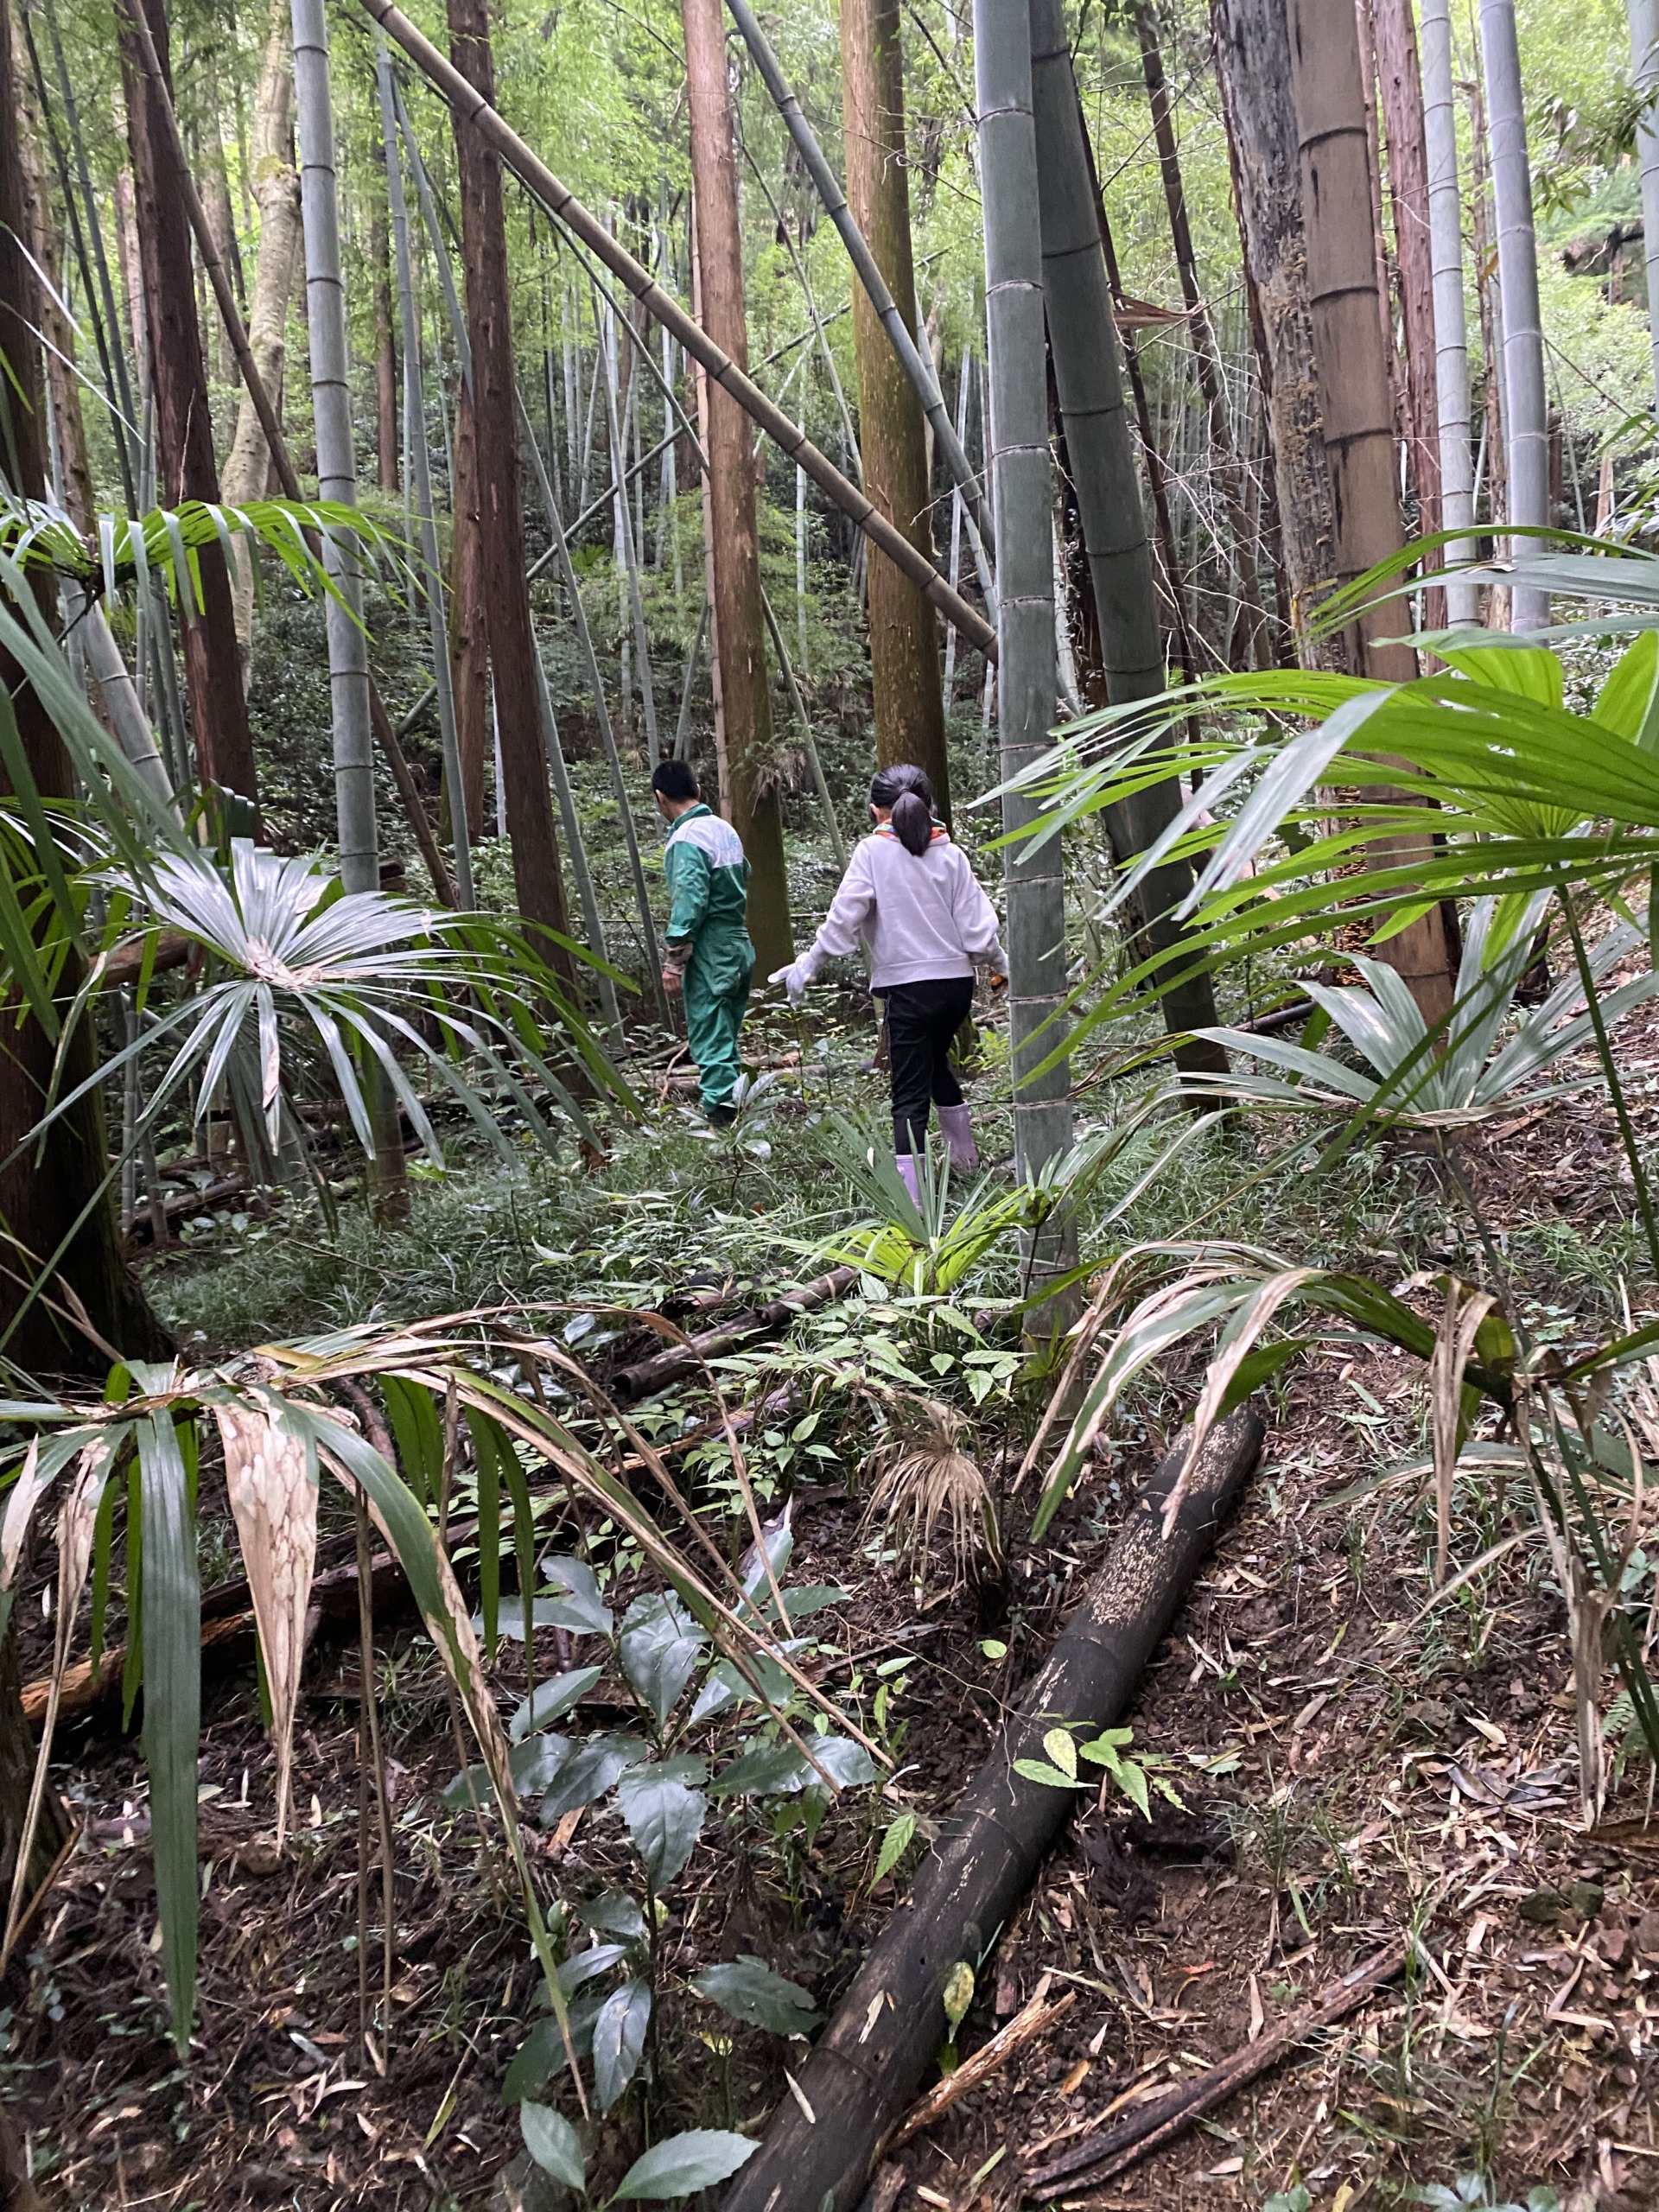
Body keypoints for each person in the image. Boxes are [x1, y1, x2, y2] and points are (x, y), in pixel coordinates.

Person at [771, 763, 1006, 1195]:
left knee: (908, 1095)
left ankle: (913, 1204)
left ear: (875, 810)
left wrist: (808, 964)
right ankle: (965, 1160)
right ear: (929, 807)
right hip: (955, 987)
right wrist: (1003, 965)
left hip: (908, 990)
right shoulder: (950, 854)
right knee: (934, 1063)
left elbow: (844, 918)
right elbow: (979, 930)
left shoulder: (872, 853)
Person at [652, 759, 754, 1126]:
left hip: (710, 947)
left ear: (661, 797)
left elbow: (690, 899)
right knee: (726, 1034)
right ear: (697, 790)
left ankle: (723, 1122)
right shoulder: (725, 830)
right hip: (738, 942)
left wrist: (674, 959)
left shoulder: (685, 838)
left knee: (710, 1038)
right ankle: (738, 1108)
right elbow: (745, 874)